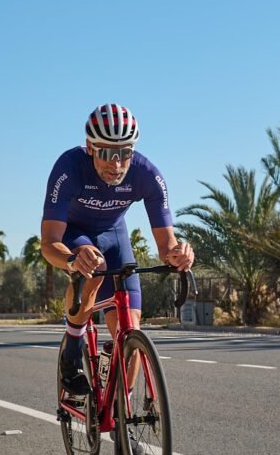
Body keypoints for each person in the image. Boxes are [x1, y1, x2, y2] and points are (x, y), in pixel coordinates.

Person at [41, 103, 194, 394]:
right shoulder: (69, 169)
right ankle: (73, 345)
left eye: (124, 153)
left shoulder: (146, 174)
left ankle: (124, 417)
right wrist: (73, 259)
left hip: (114, 236)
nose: (116, 164)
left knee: (132, 334)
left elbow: (167, 245)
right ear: (90, 147)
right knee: (94, 267)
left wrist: (179, 254)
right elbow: (48, 243)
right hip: (73, 236)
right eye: (107, 153)